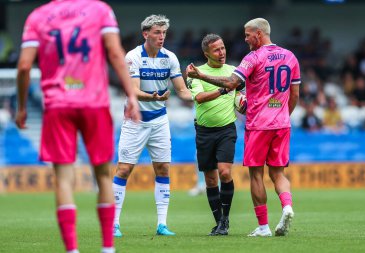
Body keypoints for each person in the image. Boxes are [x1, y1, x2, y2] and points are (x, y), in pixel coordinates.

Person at [16, 1, 140, 253]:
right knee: (103, 175)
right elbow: (115, 53)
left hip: (57, 104)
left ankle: (72, 250)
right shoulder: (100, 10)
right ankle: (107, 248)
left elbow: (24, 66)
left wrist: (21, 107)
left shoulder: (38, 16)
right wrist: (132, 95)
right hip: (94, 102)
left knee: (63, 177)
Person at [187, 18, 300, 237]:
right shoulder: (290, 56)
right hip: (282, 123)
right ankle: (287, 206)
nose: (245, 39)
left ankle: (264, 226)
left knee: (256, 175)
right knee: (278, 173)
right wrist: (283, 115)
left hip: (258, 125)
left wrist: (201, 75)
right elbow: (294, 95)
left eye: (248, 35)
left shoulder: (253, 57)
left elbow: (231, 83)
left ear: (258, 34)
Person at [112, 14, 193, 237]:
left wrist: (203, 95)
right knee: (124, 169)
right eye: (157, 32)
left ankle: (162, 224)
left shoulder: (170, 58)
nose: (161, 37)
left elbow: (182, 90)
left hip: (159, 120)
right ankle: (114, 223)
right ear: (145, 34)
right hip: (135, 120)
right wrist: (151, 97)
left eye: (164, 33)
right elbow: (133, 90)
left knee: (163, 168)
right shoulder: (133, 56)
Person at [188, 34, 239, 236]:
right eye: (216, 50)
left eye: (223, 48)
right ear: (206, 53)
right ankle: (220, 223)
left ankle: (225, 219)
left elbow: (241, 90)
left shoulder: (234, 72)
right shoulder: (195, 73)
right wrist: (225, 90)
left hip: (227, 129)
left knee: (225, 172)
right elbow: (199, 98)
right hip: (204, 131)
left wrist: (240, 99)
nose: (222, 52)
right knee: (210, 180)